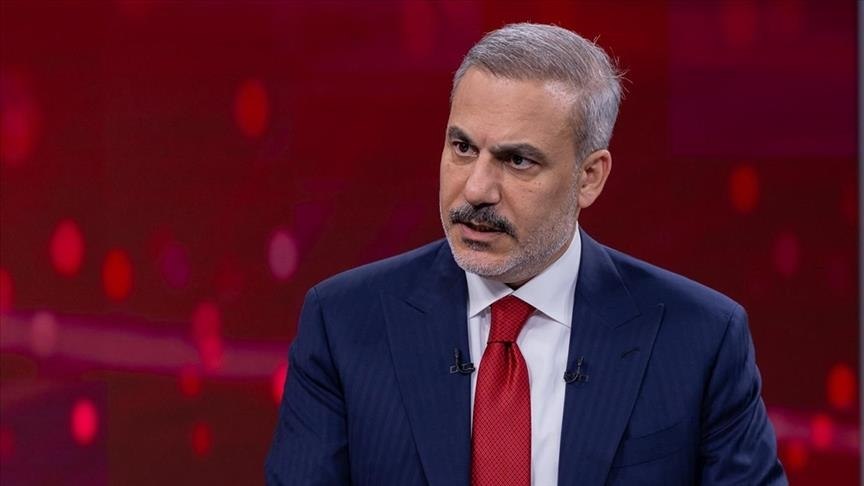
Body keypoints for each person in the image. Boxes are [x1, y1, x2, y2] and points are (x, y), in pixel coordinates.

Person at [265, 23, 787, 486]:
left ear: (589, 177)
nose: (476, 189)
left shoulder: (700, 338)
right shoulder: (344, 322)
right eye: (463, 148)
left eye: (517, 160)